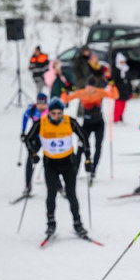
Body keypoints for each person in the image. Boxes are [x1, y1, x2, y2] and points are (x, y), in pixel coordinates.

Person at [24, 98, 93, 237]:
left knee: (71, 194)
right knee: (51, 194)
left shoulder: (69, 121)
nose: (57, 116)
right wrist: (33, 154)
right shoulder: (41, 123)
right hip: (51, 164)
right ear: (49, 113)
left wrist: (87, 159)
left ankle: (77, 223)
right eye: (54, 113)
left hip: (68, 163)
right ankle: (51, 223)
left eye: (59, 113)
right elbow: (27, 138)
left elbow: (84, 137)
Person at [61, 77, 119, 183]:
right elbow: (65, 99)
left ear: (95, 87)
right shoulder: (81, 93)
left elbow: (115, 96)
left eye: (92, 88)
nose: (89, 90)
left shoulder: (100, 92)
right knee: (81, 146)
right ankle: (75, 170)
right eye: (88, 87)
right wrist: (64, 91)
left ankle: (93, 169)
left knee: (98, 147)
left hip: (99, 123)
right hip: (86, 124)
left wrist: (113, 85)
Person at [20, 93, 50, 196]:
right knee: (30, 159)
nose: (41, 106)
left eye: (43, 104)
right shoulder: (32, 109)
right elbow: (24, 118)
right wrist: (23, 132)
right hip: (35, 138)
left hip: (47, 138)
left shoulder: (50, 110)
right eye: (39, 104)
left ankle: (59, 186)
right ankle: (28, 185)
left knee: (52, 161)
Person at [112, 52, 132, 123]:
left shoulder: (127, 69)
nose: (122, 63)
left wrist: (130, 91)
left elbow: (129, 81)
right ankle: (116, 118)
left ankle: (120, 116)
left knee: (123, 105)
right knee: (118, 105)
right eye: (121, 62)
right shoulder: (116, 70)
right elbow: (113, 81)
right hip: (118, 90)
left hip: (125, 90)